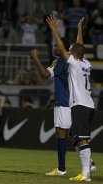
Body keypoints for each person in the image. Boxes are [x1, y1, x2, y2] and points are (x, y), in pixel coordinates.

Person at [46, 15, 95, 181]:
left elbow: (61, 46)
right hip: (89, 104)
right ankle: (87, 169)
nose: (70, 51)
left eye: (71, 50)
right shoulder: (86, 63)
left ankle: (86, 173)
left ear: (73, 54)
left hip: (80, 104)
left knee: (81, 140)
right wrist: (80, 30)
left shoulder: (73, 63)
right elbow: (79, 46)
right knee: (79, 138)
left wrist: (54, 30)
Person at [30, 34, 71, 175]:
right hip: (71, 101)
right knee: (69, 133)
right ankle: (85, 162)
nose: (53, 48)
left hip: (63, 101)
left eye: (55, 45)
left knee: (61, 133)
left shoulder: (60, 61)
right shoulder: (70, 59)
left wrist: (35, 57)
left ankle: (61, 168)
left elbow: (45, 74)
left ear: (61, 48)